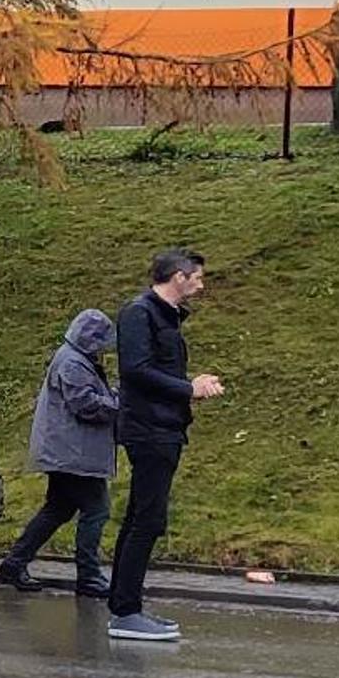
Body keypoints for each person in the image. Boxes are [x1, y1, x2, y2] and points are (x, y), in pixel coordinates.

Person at [105, 248, 225, 642]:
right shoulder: (140, 313)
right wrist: (188, 388)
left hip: (163, 426)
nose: (201, 285)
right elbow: (137, 371)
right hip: (150, 430)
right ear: (178, 276)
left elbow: (158, 369)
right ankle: (126, 611)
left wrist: (189, 383)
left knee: (142, 515)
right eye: (197, 277)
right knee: (148, 519)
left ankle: (124, 603)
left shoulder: (163, 316)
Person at [0, 309, 119, 596]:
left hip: (66, 451)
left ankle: (14, 564)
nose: (104, 350)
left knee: (58, 509)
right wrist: (119, 402)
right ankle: (88, 577)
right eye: (101, 343)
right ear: (92, 340)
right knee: (96, 510)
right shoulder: (74, 363)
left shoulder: (72, 357)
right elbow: (86, 405)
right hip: (73, 455)